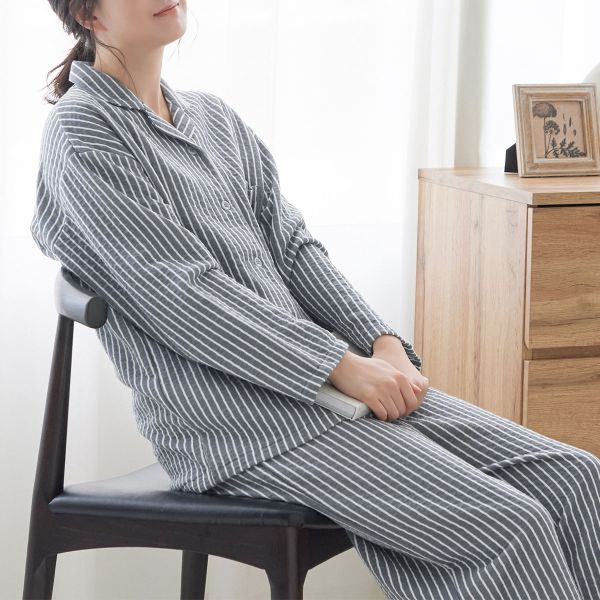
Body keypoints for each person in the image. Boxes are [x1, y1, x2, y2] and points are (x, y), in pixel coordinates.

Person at [32, 1, 600, 598]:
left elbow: (293, 248)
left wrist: (382, 343)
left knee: (574, 478)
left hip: (326, 392)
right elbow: (183, 295)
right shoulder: (82, 133)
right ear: (88, 15)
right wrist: (339, 365)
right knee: (507, 525)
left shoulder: (212, 118)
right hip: (235, 425)